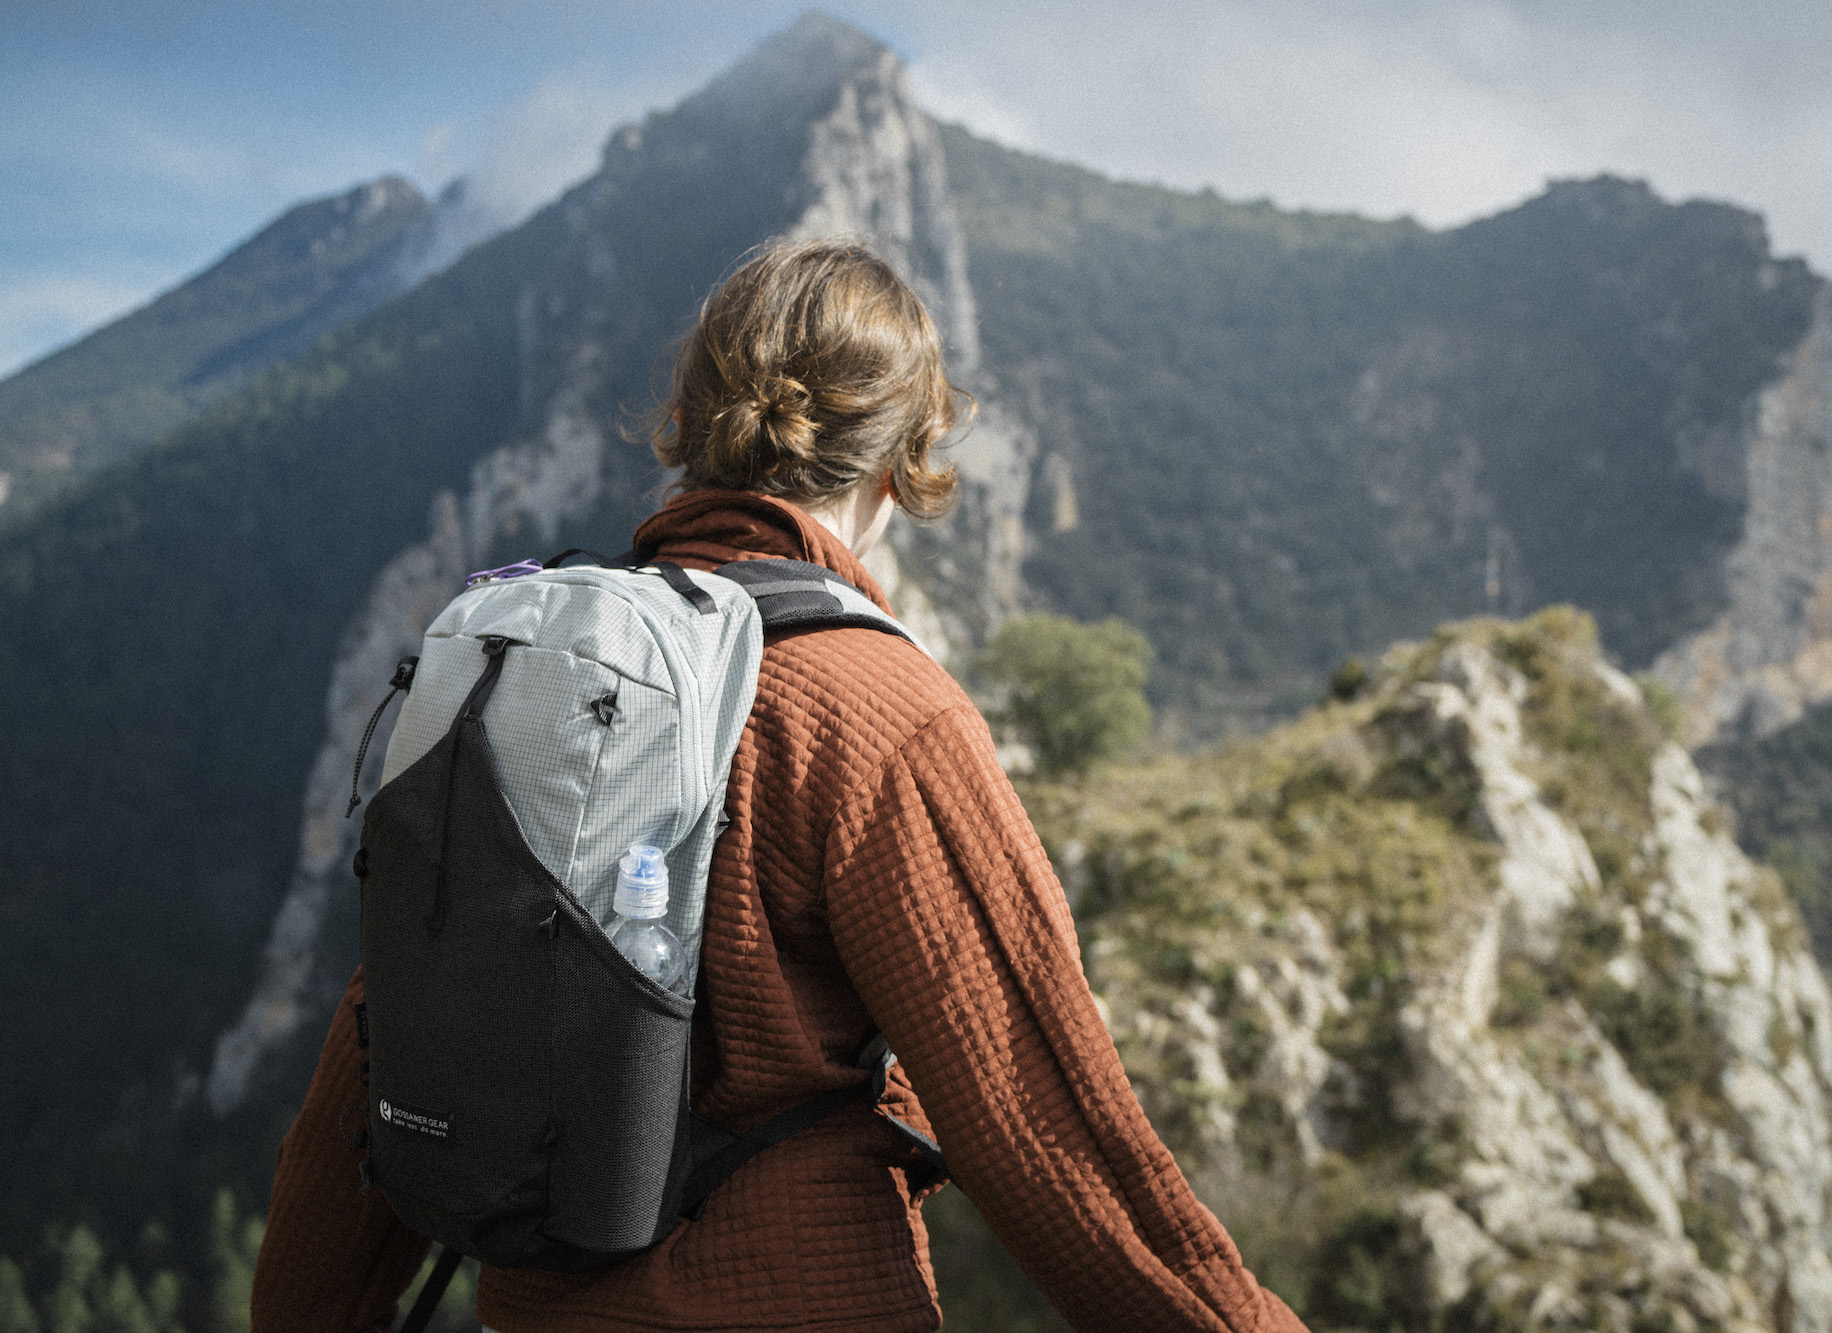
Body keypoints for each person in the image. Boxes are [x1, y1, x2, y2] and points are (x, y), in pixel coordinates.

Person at [251, 239, 1308, 1333]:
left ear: (693, 431)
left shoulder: (535, 678)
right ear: (904, 457)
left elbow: (384, 1057)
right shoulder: (877, 707)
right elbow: (1044, 1131)